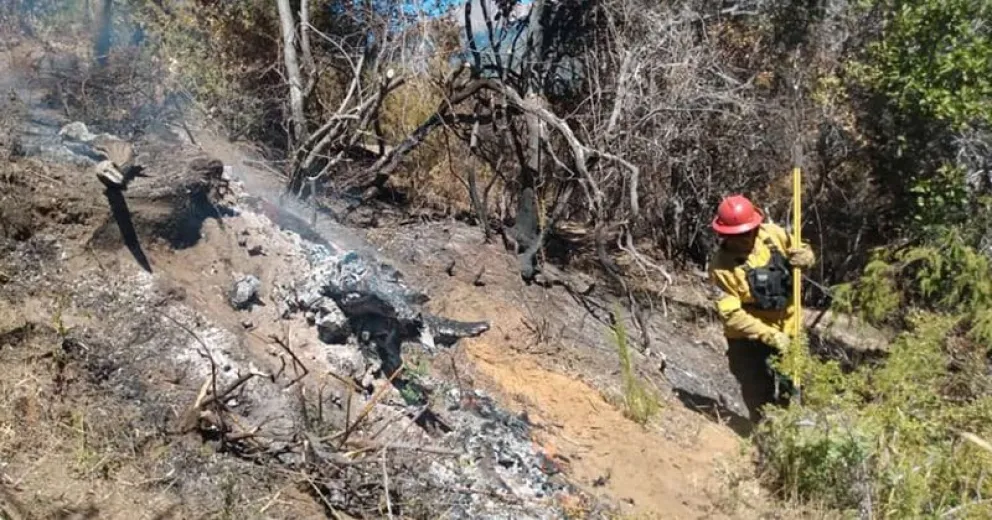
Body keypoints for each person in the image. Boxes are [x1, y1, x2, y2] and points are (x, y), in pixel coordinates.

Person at [707, 194, 815, 422]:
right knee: (757, 392)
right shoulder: (721, 267)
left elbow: (802, 249)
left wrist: (807, 256)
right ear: (724, 234)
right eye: (737, 235)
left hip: (788, 325)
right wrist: (769, 335)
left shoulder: (773, 234)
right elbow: (731, 315)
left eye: (748, 232)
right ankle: (762, 433)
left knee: (793, 387)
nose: (745, 239)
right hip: (748, 339)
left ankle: (791, 432)